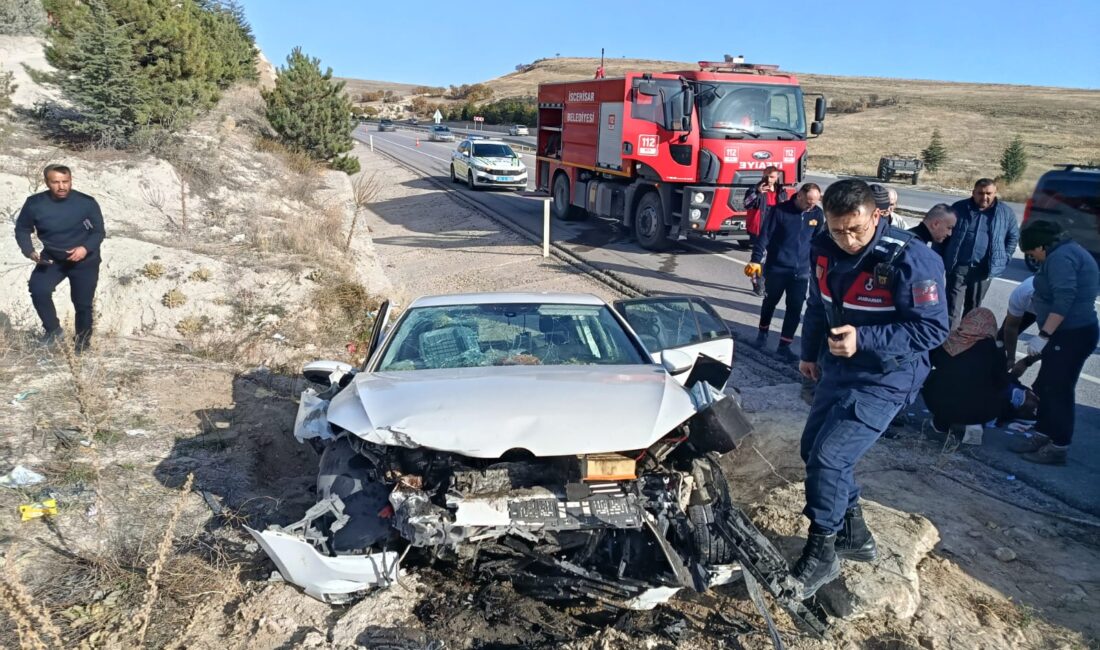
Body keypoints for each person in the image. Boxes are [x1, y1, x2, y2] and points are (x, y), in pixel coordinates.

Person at [794, 179, 949, 599]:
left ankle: (822, 550)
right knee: (813, 451)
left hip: (887, 375)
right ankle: (855, 535)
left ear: (876, 215)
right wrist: (809, 353)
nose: (846, 239)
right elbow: (818, 304)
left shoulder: (911, 260)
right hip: (838, 366)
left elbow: (933, 328)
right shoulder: (823, 246)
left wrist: (865, 340)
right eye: (837, 228)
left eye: (856, 230)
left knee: (830, 457)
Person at [1008, 220, 1099, 465]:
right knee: (1047, 385)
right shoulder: (1063, 251)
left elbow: (1064, 299)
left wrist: (1044, 335)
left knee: (1059, 390)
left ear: (1041, 245)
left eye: (1032, 253)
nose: (1033, 258)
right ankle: (1043, 433)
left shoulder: (1061, 258)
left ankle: (1058, 446)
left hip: (1072, 334)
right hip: (1065, 334)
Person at [14, 164, 106, 351]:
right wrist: (29, 251)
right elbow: (22, 229)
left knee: (82, 304)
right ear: (47, 183)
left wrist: (85, 248)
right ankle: (53, 330)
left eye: (66, 181)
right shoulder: (34, 203)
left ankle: (81, 346)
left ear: (71, 180)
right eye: (56, 182)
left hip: (84, 260)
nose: (61, 186)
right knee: (38, 288)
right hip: (52, 258)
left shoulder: (86, 202)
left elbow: (98, 232)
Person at [745, 183, 823, 362]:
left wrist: (820, 263)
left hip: (801, 271)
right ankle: (762, 333)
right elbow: (764, 236)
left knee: (795, 308)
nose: (811, 205)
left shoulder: (817, 214)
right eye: (808, 201)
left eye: (815, 202)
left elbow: (819, 242)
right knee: (770, 301)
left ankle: (784, 345)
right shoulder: (780, 211)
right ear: (799, 196)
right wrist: (756, 260)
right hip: (777, 267)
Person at [942, 179, 1020, 329]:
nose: (984, 197)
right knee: (952, 310)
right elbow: (944, 233)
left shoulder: (1005, 213)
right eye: (980, 193)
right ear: (973, 193)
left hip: (983, 270)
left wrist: (1005, 258)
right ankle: (947, 345)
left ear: (995, 193)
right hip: (958, 267)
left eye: (988, 193)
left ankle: (964, 345)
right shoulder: (959, 208)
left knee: (973, 311)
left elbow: (1012, 237)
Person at [922, 308, 1011, 433]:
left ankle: (941, 424)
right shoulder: (992, 348)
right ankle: (974, 424)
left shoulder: (949, 339)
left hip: (938, 403)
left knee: (940, 380)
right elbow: (1001, 382)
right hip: (979, 409)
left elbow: (930, 363)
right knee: (993, 389)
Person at [743, 166, 788, 296]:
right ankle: (757, 283)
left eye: (772, 177)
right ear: (763, 175)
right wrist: (757, 193)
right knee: (760, 257)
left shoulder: (781, 191)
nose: (769, 179)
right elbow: (746, 204)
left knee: (773, 257)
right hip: (760, 227)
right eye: (767, 176)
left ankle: (767, 281)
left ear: (777, 177)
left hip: (776, 228)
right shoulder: (755, 189)